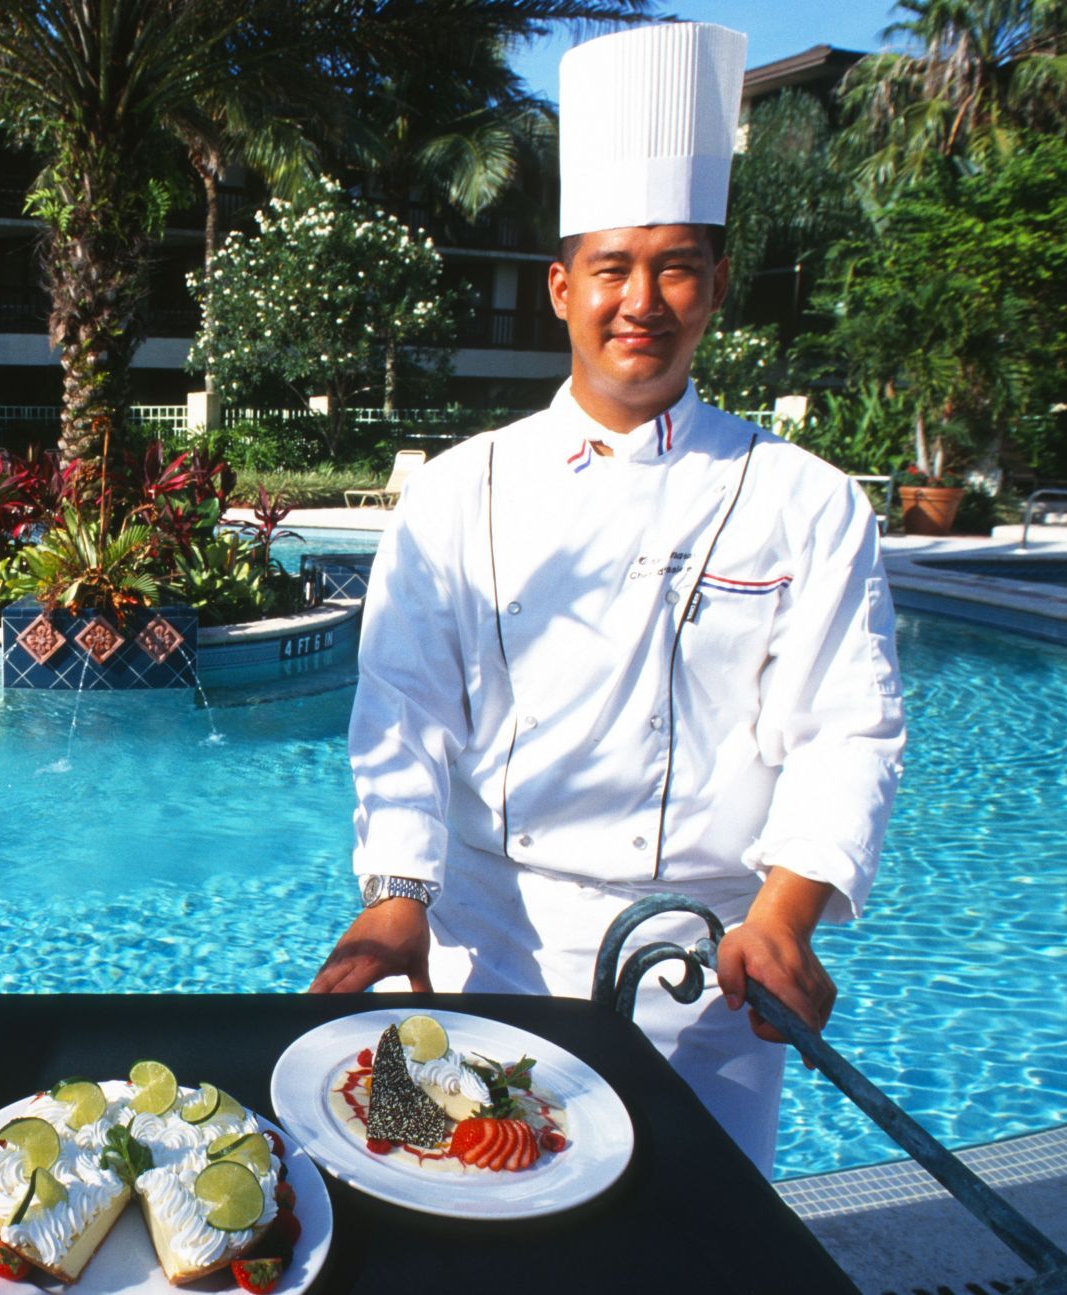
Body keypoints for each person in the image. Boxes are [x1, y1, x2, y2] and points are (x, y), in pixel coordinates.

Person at [309, 23, 906, 1174]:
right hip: (494, 948)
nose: (644, 300)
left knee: (698, 1236)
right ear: (561, 287)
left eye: (678, 265)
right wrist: (396, 899)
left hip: (716, 969)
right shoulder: (458, 490)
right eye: (612, 267)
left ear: (717, 286)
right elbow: (401, 713)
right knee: (473, 1214)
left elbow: (850, 724)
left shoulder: (806, 499)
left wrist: (786, 910)